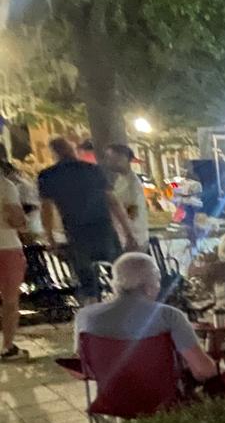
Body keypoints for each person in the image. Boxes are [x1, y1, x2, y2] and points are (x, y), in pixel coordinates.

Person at [75, 252, 217, 382]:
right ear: (149, 287)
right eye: (158, 281)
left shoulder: (85, 316)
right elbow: (204, 370)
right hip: (162, 398)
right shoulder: (168, 316)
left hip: (111, 398)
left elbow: (84, 366)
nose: (159, 287)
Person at [37, 136, 135, 301]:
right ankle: (126, 305)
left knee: (87, 281)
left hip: (76, 232)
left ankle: (92, 309)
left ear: (54, 153)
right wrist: (128, 232)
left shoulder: (48, 176)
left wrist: (50, 238)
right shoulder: (93, 170)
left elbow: (46, 210)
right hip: (103, 229)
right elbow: (113, 202)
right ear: (72, 150)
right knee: (119, 274)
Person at [0, 159, 28, 360]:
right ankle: (7, 346)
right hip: (6, 246)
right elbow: (17, 219)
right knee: (10, 300)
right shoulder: (6, 186)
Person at [102, 144, 151, 250]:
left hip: (133, 240)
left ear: (123, 158)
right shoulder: (120, 180)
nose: (108, 162)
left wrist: (130, 235)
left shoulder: (132, 183)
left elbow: (133, 212)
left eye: (112, 158)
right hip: (126, 237)